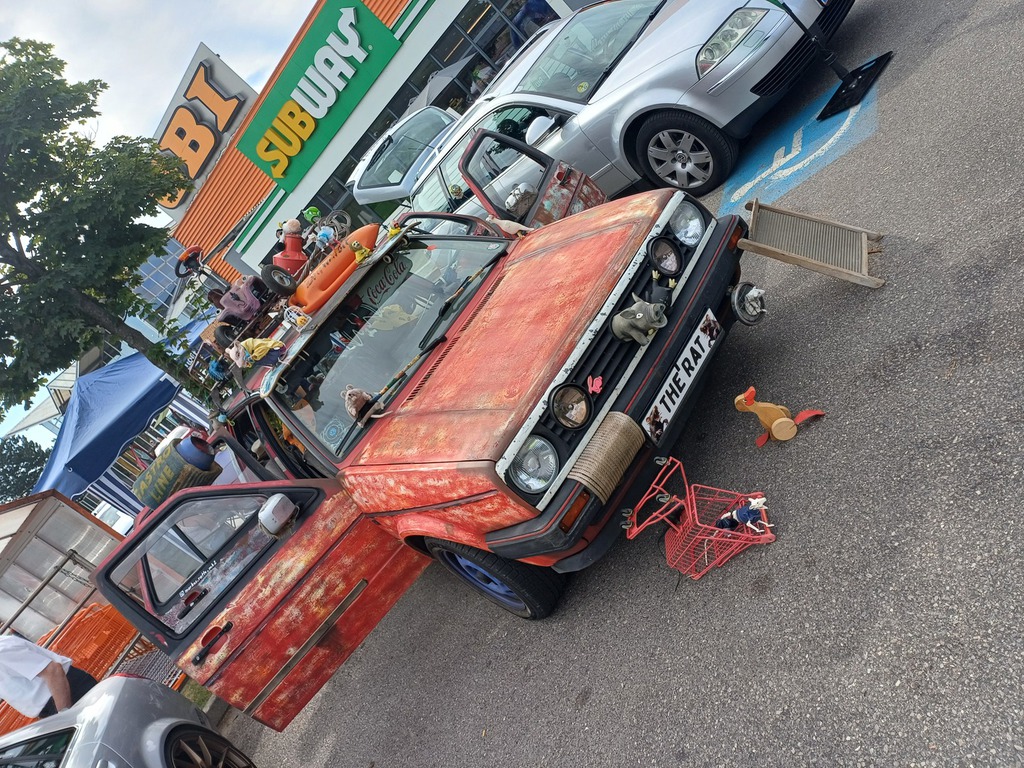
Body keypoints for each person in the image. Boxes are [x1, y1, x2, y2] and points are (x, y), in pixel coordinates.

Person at [0, 634, 98, 718]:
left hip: (65, 693)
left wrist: (64, 714)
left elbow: (53, 670)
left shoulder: (2, 651)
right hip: (59, 696)